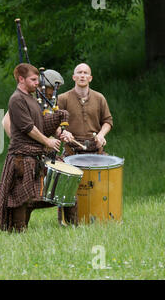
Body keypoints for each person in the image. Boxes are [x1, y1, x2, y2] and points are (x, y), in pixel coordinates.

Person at [0, 63, 71, 232]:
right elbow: (28, 127)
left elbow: (41, 124)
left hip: (34, 155)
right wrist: (47, 142)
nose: (37, 83)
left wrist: (58, 119)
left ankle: (72, 226)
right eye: (33, 79)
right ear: (21, 79)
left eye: (38, 79)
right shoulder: (16, 99)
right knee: (21, 197)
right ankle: (18, 233)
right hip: (22, 156)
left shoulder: (32, 98)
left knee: (30, 197)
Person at [56, 63, 113, 224]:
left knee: (105, 179)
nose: (82, 75)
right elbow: (54, 124)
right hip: (71, 151)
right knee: (66, 183)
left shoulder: (99, 98)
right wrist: (62, 133)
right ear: (74, 77)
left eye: (85, 73)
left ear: (90, 78)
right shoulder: (63, 98)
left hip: (95, 149)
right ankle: (67, 221)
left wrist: (101, 135)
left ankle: (101, 214)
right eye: (79, 73)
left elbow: (108, 121)